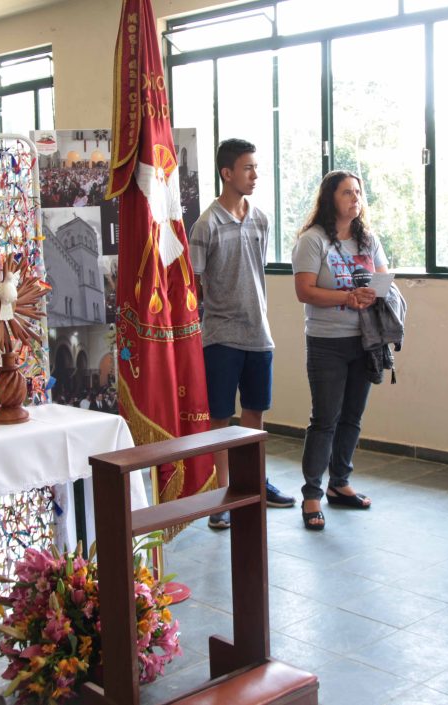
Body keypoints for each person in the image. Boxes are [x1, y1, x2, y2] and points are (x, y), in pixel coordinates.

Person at [189, 138, 295, 530]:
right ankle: (223, 493)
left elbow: (255, 272)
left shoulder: (261, 219)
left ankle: (255, 482)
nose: (254, 175)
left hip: (258, 333)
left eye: (255, 167)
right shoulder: (206, 224)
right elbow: (194, 284)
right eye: (247, 168)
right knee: (220, 416)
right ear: (227, 173)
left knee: (255, 414)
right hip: (219, 334)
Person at [291, 170, 386, 531]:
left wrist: (372, 292)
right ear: (330, 198)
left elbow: (383, 280)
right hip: (326, 343)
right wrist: (348, 297)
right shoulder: (313, 241)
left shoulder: (368, 239)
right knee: (325, 419)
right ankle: (312, 494)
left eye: (358, 192)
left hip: (364, 340)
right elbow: (305, 291)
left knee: (352, 417)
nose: (355, 198)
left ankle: (339, 483)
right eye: (347, 192)